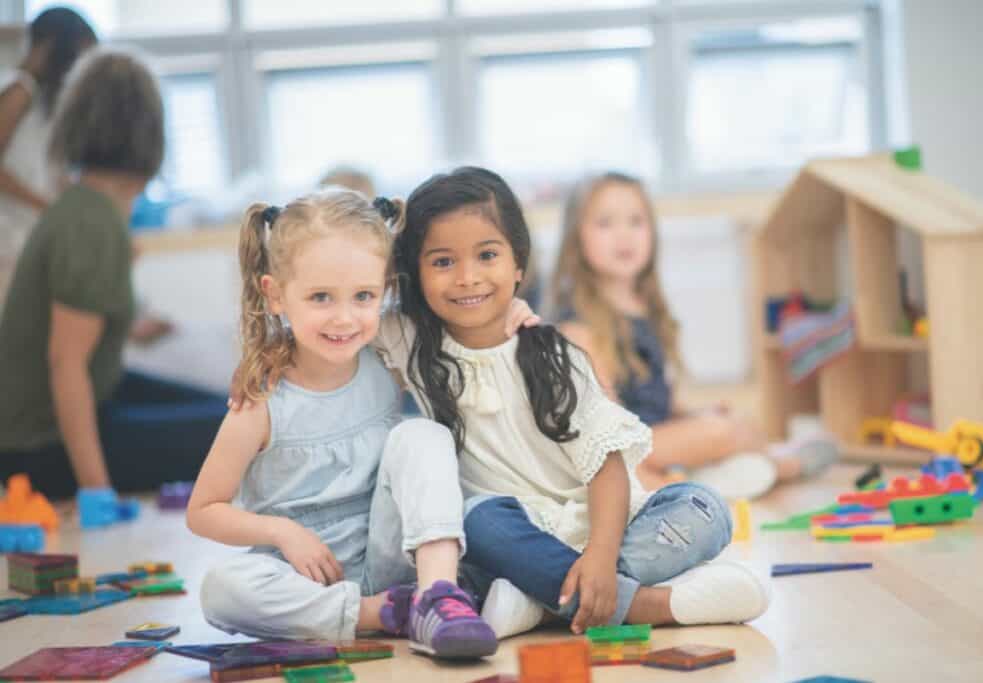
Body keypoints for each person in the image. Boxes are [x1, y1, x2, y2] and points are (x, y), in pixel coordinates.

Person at [375, 167, 771, 640]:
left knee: (706, 508)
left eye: (487, 255)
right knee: (471, 521)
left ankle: (543, 601)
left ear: (519, 264)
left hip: (602, 529)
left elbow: (606, 463)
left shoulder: (552, 352)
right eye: (441, 262)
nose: (467, 277)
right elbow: (347, 294)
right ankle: (642, 603)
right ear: (413, 273)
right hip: (511, 536)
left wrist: (601, 559)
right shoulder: (410, 340)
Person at [190, 189, 499, 658]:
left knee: (421, 434)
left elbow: (466, 323)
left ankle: (439, 595)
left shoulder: (386, 356)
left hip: (394, 551)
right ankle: (382, 613)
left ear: (384, 290)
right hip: (305, 576)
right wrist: (282, 533)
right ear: (275, 295)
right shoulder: (260, 403)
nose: (344, 318)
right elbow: (203, 510)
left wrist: (513, 310)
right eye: (319, 297)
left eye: (363, 296)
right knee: (221, 588)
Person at [0, 48, 224, 499]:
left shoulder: (86, 206)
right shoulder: (92, 223)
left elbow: (79, 328)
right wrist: (96, 491)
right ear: (149, 133)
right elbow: (66, 366)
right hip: (37, 449)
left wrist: (135, 327)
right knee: (236, 429)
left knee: (234, 412)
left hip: (82, 405)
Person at [551, 172, 837, 499]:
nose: (624, 236)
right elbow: (604, 433)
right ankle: (782, 465)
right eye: (605, 223)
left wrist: (693, 414)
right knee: (722, 433)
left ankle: (706, 480)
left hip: (651, 442)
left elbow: (657, 399)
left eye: (636, 222)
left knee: (735, 422)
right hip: (620, 450)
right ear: (576, 238)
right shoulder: (578, 329)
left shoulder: (645, 308)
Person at [0, 7, 96, 306]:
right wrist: (46, 206)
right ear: (52, 47)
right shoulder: (19, 90)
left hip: (28, 235)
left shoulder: (40, 101)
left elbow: (42, 169)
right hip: (10, 237)